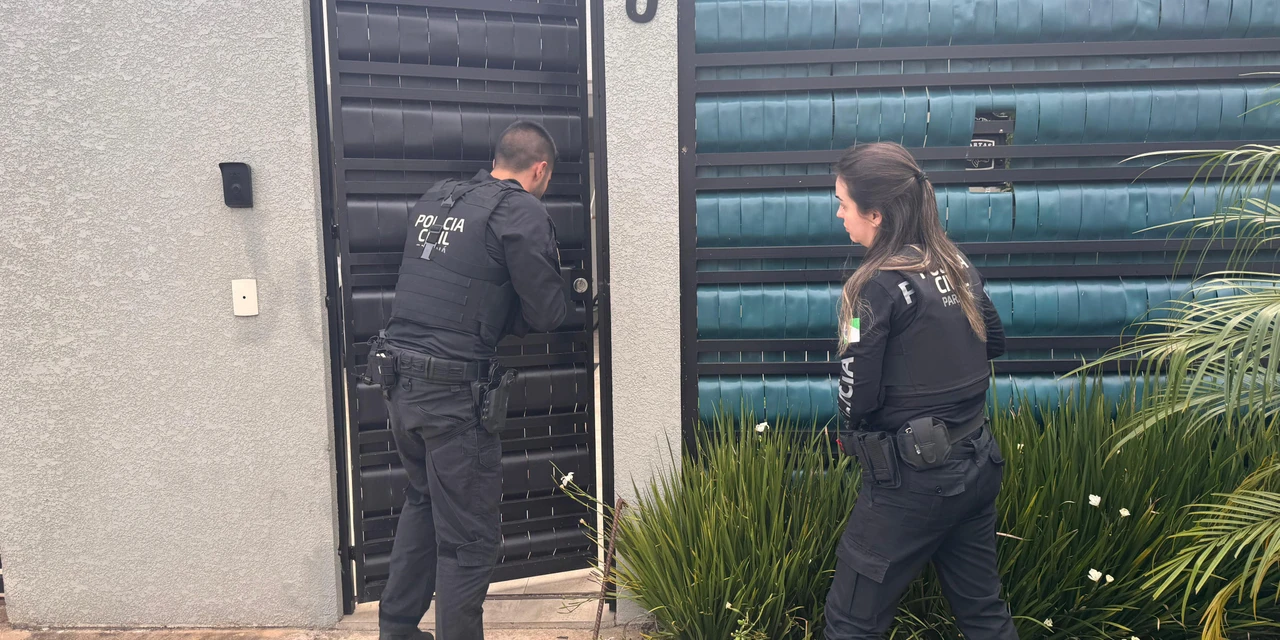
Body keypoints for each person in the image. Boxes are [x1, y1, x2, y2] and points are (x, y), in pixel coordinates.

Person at [373, 121, 569, 640]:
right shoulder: (520, 211)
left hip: (398, 380)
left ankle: (396, 631)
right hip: (452, 397)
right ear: (540, 169)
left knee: (423, 502)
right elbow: (546, 311)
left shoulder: (439, 199)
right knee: (469, 542)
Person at [824, 142, 1018, 639]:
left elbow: (856, 393)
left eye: (844, 203)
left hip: (911, 482)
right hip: (977, 463)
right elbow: (994, 341)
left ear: (876, 214)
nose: (839, 214)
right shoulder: (954, 262)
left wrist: (851, 426)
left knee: (851, 622)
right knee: (984, 613)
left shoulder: (870, 287)